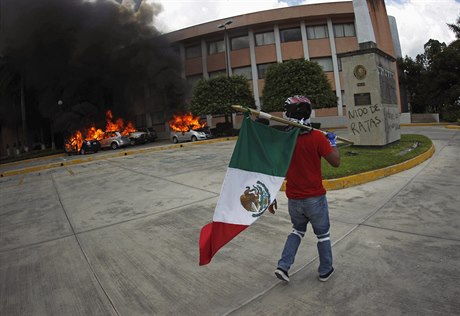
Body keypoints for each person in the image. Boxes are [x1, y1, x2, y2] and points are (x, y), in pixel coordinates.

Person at [273, 95, 340, 283]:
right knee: (323, 235)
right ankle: (325, 270)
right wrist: (332, 143)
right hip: (315, 199)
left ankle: (283, 266)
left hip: (294, 200)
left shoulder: (284, 140)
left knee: (297, 231)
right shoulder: (318, 137)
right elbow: (335, 162)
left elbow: (277, 169)